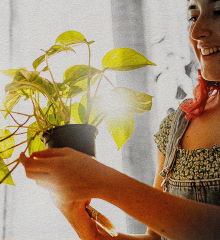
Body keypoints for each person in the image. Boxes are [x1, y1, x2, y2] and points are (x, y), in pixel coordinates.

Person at [20, 0, 220, 239]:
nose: (196, 32)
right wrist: (82, 222)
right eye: (193, 16)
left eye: (218, 12)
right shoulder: (178, 124)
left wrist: (102, 181)